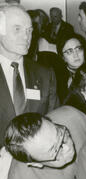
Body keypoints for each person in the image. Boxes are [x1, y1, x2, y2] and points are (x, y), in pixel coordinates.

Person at [0, 4, 59, 146]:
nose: (26, 37)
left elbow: (54, 121)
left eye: (29, 30)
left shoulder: (45, 74)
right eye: (17, 29)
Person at [56, 33, 86, 103]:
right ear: (63, 57)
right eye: (69, 51)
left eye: (78, 49)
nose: (76, 55)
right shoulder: (59, 80)